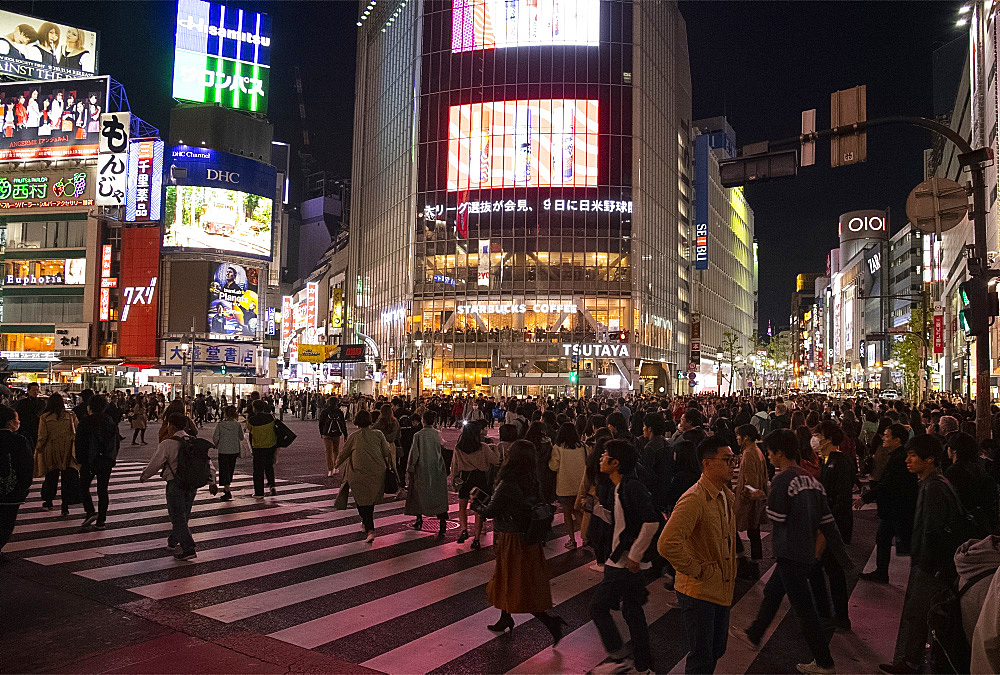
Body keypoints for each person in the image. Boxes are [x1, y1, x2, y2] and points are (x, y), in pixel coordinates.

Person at [730, 429, 850, 675]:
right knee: (773, 591)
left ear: (779, 453)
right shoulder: (811, 479)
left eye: (771, 453)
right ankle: (754, 632)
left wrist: (763, 496)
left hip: (790, 553)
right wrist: (844, 557)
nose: (770, 457)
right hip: (805, 552)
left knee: (805, 611)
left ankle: (824, 662)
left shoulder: (783, 480)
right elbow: (827, 521)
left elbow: (777, 517)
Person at [880, 435, 968, 674]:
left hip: (931, 566)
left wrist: (926, 563)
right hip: (932, 563)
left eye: (913, 456)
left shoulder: (933, 488)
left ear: (929, 459)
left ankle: (912, 662)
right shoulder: (934, 483)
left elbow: (932, 530)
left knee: (918, 615)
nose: (907, 460)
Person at [472, 439, 567, 644]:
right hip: (528, 538)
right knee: (511, 579)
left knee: (516, 583)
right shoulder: (532, 480)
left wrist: (475, 504)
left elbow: (490, 511)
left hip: (511, 538)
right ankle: (505, 618)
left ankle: (550, 622)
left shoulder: (508, 482)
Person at [658, 436, 737, 674]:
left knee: (716, 650)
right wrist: (697, 569)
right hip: (699, 591)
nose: (732, 465)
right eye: (726, 459)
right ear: (707, 463)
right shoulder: (693, 499)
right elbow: (667, 543)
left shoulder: (724, 495)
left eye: (733, 459)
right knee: (701, 657)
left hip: (721, 588)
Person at [590, 440, 663, 675]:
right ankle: (643, 665)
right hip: (623, 560)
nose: (601, 458)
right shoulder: (618, 487)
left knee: (598, 607)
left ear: (616, 463)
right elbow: (623, 521)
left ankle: (619, 657)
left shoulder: (631, 487)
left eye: (605, 455)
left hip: (622, 562)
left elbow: (651, 521)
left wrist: (635, 555)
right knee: (633, 612)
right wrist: (596, 510)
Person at [140, 413, 218, 560]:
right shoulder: (194, 441)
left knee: (177, 517)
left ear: (172, 425)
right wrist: (212, 482)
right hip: (192, 484)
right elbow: (208, 464)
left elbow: (155, 464)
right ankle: (173, 541)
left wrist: (144, 476)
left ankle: (189, 548)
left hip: (175, 484)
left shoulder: (167, 443)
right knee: (184, 515)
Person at [855, 423, 918, 583]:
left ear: (897, 440)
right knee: (888, 539)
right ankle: (882, 572)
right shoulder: (897, 455)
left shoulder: (899, 458)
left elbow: (888, 484)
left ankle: (887, 573)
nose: (883, 438)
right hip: (897, 506)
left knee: (892, 540)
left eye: (887, 435)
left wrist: (866, 498)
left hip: (897, 507)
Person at [812, 419, 855, 632]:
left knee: (832, 570)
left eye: (819, 437)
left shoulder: (839, 463)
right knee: (824, 568)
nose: (816, 441)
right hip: (830, 525)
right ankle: (831, 613)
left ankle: (839, 616)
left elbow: (840, 500)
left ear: (828, 440)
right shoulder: (829, 461)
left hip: (833, 526)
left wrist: (827, 527)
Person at [336, 409, 397, 543]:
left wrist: (336, 465)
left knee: (361, 500)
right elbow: (386, 452)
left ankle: (370, 528)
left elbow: (344, 453)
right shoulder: (378, 434)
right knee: (369, 500)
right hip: (377, 471)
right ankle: (366, 523)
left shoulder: (354, 436)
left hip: (358, 472)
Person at [451, 421, 499, 549]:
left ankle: (463, 529)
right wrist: (495, 448)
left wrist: (453, 480)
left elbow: (454, 466)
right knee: (478, 510)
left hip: (465, 478)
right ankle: (476, 539)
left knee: (462, 506)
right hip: (479, 479)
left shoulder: (459, 447)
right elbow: (495, 460)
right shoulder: (483, 447)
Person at [75, 395, 120, 529]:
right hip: (106, 460)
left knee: (83, 486)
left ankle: (90, 511)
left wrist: (80, 460)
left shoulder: (86, 421)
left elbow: (79, 443)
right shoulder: (109, 421)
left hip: (89, 460)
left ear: (90, 407)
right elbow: (116, 442)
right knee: (102, 490)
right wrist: (112, 458)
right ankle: (101, 521)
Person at [405, 410, 449, 535]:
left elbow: (414, 454)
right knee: (438, 495)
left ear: (423, 420)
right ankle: (442, 522)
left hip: (422, 468)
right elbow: (443, 447)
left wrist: (410, 468)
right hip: (437, 468)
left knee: (418, 494)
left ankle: (419, 519)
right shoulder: (437, 434)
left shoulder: (418, 435)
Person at [34, 393, 78, 516]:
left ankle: (48, 502)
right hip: (68, 450)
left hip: (51, 449)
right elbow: (76, 432)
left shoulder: (44, 417)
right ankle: (65, 507)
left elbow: (42, 436)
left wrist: (38, 448)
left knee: (51, 477)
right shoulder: (70, 416)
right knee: (66, 479)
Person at [0, 405, 34, 552]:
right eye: (17, 420)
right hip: (11, 491)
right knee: (6, 522)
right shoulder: (19, 441)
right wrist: (24, 487)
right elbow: (27, 466)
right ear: (10, 422)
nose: (18, 423)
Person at [549, 422, 588, 549]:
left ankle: (572, 540)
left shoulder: (558, 447)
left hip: (565, 486)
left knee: (567, 513)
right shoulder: (582, 446)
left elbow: (554, 466)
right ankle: (586, 537)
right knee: (578, 511)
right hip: (580, 485)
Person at [734, 424, 768, 561]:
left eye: (738, 435)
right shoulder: (757, 451)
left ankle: (748, 561)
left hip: (749, 501)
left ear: (746, 437)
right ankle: (755, 561)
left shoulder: (749, 453)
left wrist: (743, 495)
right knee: (754, 533)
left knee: (740, 529)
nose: (737, 438)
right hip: (756, 500)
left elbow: (750, 482)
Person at [247, 399, 279, 498]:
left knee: (258, 470)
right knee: (269, 467)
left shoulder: (252, 420)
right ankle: (272, 486)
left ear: (254, 408)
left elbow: (249, 431)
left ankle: (259, 492)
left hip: (258, 447)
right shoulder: (271, 417)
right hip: (271, 445)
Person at [212, 406, 244, 501]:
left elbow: (215, 437)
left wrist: (217, 444)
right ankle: (227, 488)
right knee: (230, 469)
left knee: (224, 470)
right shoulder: (237, 425)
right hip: (234, 449)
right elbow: (241, 437)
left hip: (223, 449)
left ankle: (227, 490)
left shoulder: (220, 425)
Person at [319, 396, 348, 478]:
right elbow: (343, 424)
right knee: (336, 450)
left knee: (328, 451)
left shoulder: (325, 411)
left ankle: (330, 469)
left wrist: (321, 432)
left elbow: (321, 423)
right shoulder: (339, 412)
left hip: (326, 434)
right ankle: (336, 467)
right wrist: (345, 434)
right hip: (337, 434)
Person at [14, 382, 45, 451]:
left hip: (38, 430)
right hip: (26, 429)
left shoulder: (41, 403)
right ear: (28, 391)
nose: (35, 392)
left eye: (37, 390)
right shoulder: (22, 403)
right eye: (33, 390)